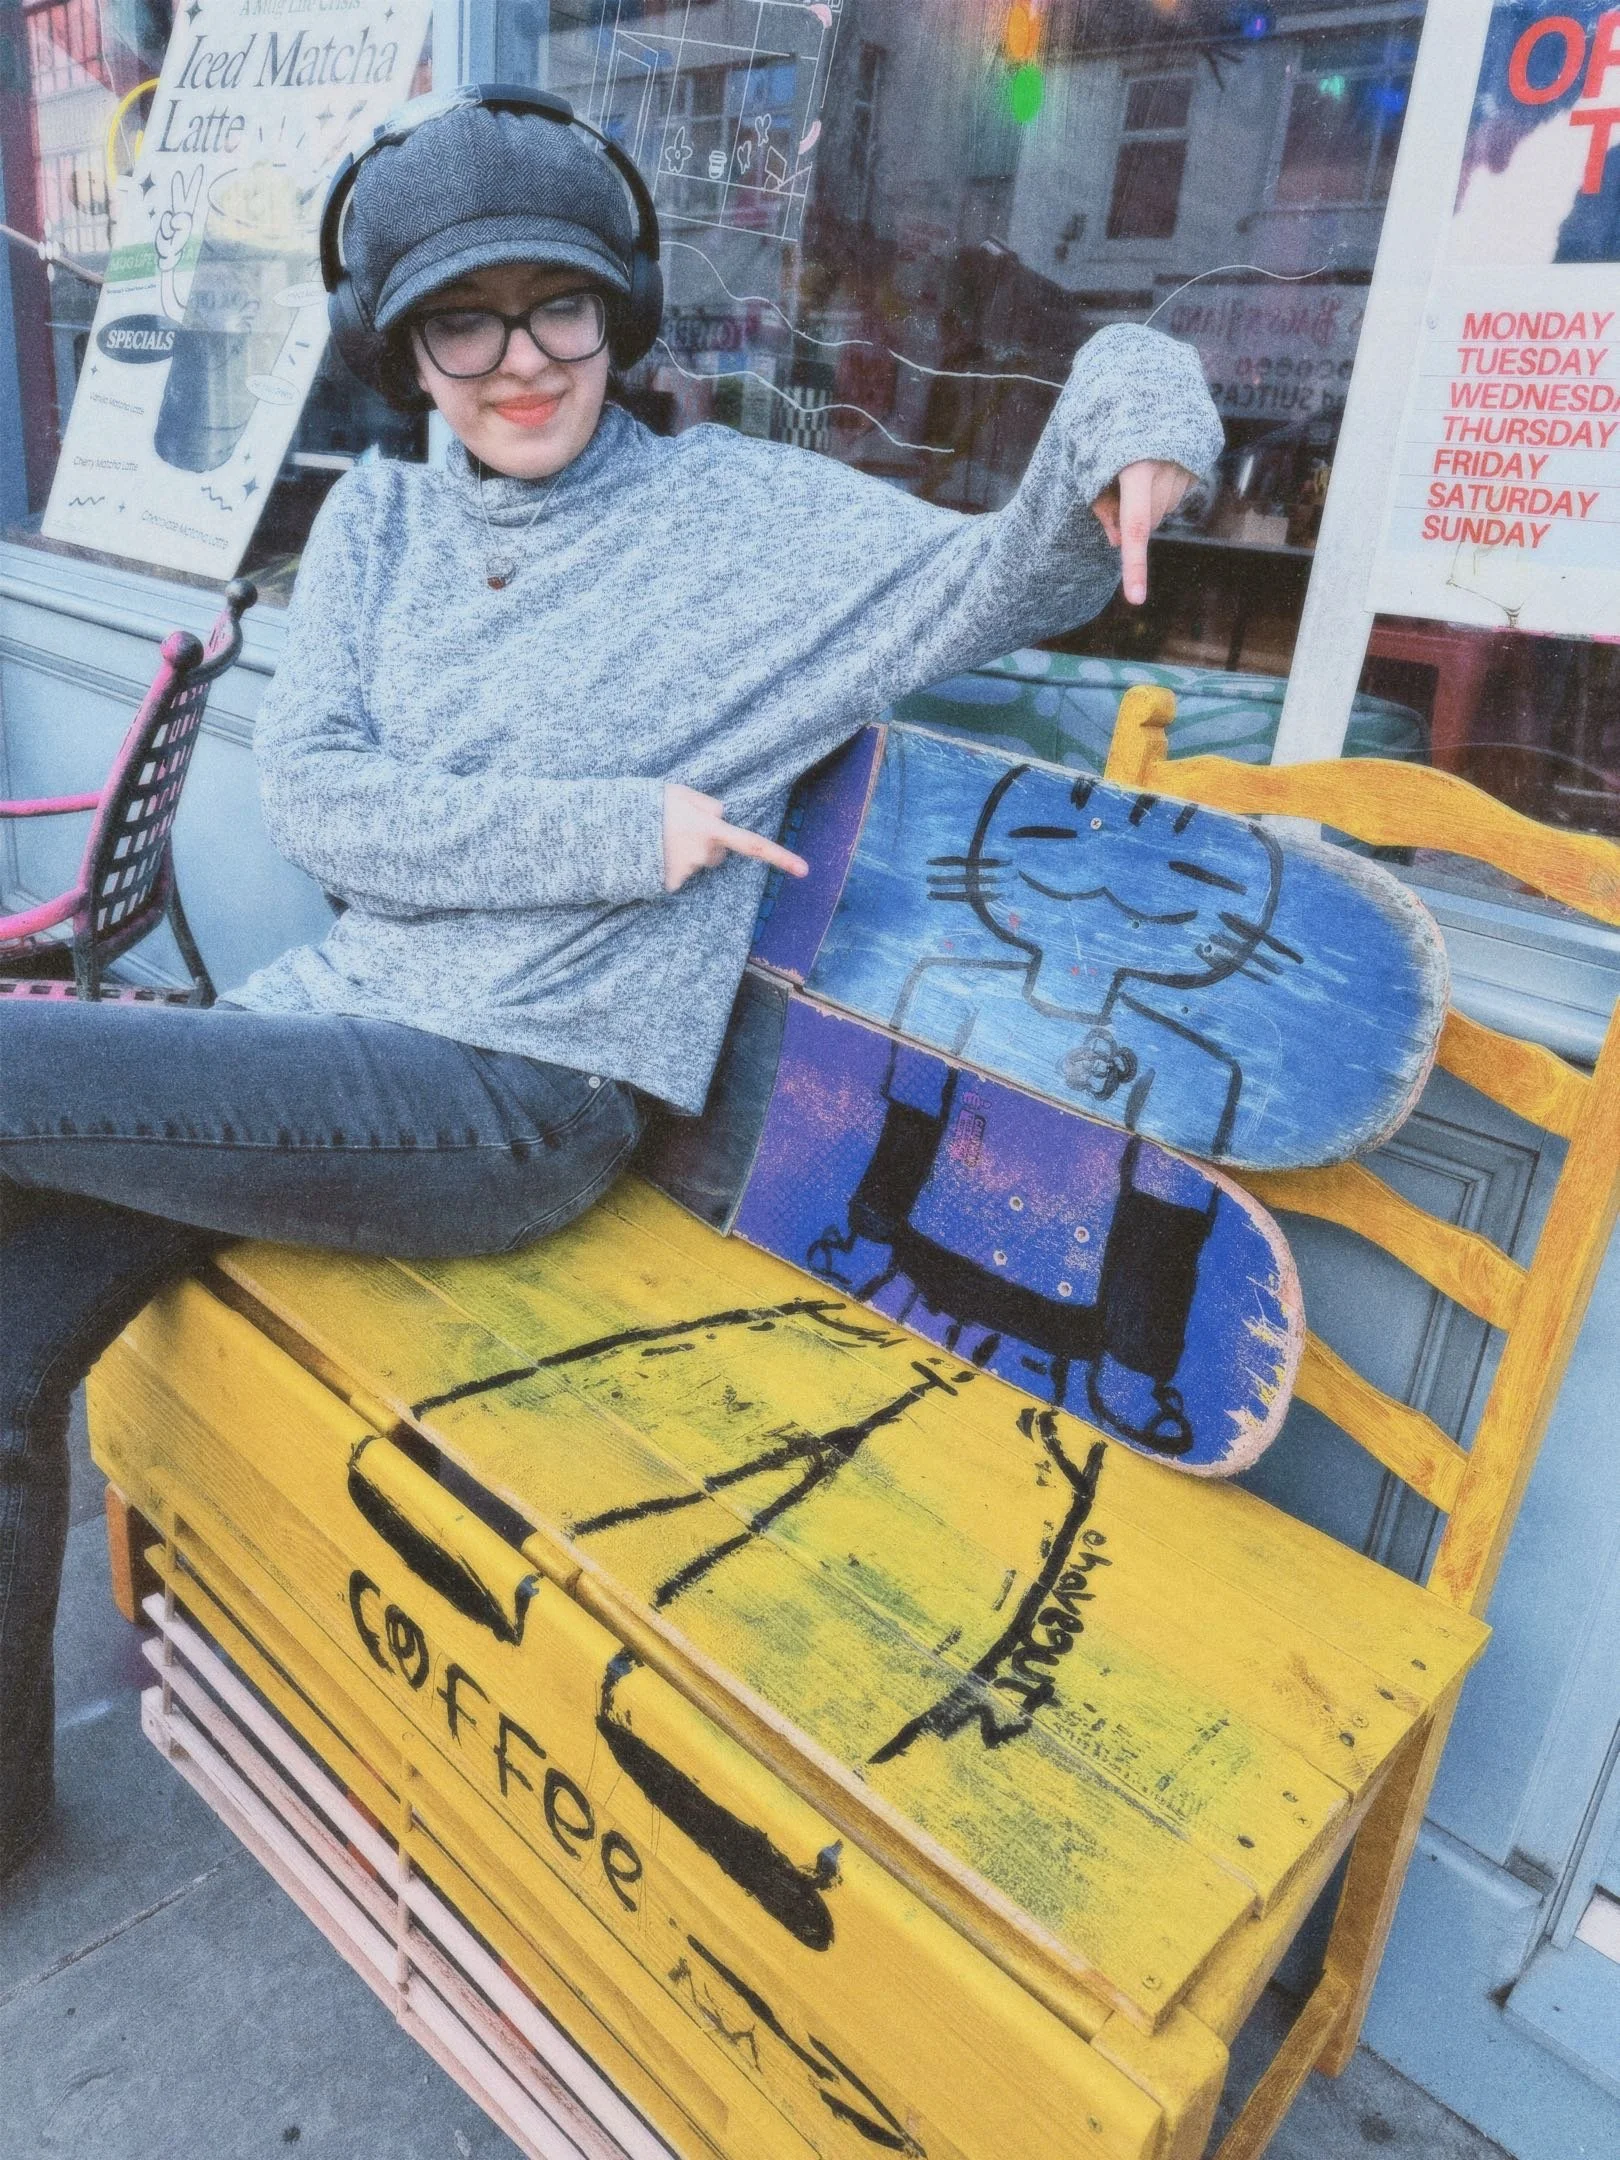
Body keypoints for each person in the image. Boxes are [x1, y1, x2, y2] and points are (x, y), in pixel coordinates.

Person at [0, 88, 1223, 1880]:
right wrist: (620, 829)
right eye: (463, 319)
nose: (518, 361)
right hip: (330, 1029)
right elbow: (327, 804)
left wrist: (1140, 419)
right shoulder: (371, 535)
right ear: (408, 348)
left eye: (556, 305)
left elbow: (1012, 565)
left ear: (619, 312)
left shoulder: (748, 528)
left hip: (526, 1097)